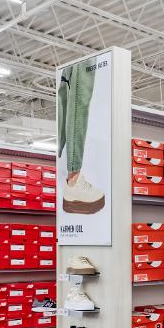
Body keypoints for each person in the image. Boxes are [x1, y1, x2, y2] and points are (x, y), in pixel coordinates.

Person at [58, 60, 105, 214]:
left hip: (71, 56)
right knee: (80, 99)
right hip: (83, 49)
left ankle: (72, 180)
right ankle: (74, 179)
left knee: (65, 96)